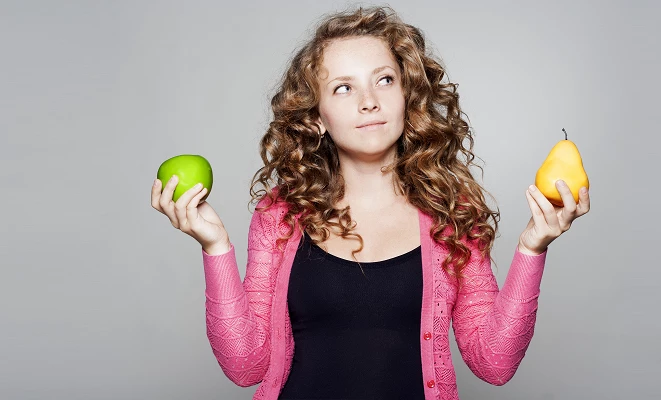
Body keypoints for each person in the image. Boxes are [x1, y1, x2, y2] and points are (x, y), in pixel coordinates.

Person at [151, 6, 590, 400]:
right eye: (343, 88)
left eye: (384, 79)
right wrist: (215, 247)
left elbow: (494, 365)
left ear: (407, 95)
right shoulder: (280, 216)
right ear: (317, 117)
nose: (369, 102)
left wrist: (533, 248)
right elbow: (246, 367)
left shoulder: (452, 214)